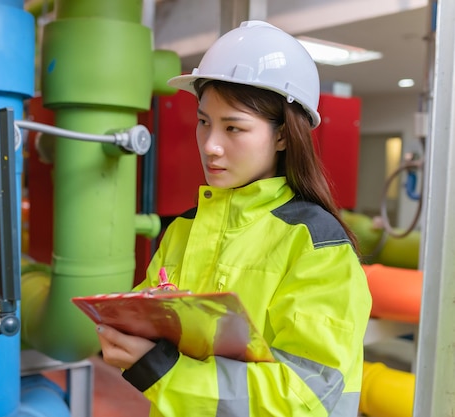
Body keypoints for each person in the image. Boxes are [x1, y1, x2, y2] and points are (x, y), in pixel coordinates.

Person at [95, 20, 372, 416]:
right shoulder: (183, 230)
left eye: (233, 128)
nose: (211, 146)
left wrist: (163, 372)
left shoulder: (317, 245)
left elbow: (308, 397)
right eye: (204, 122)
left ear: (281, 136)